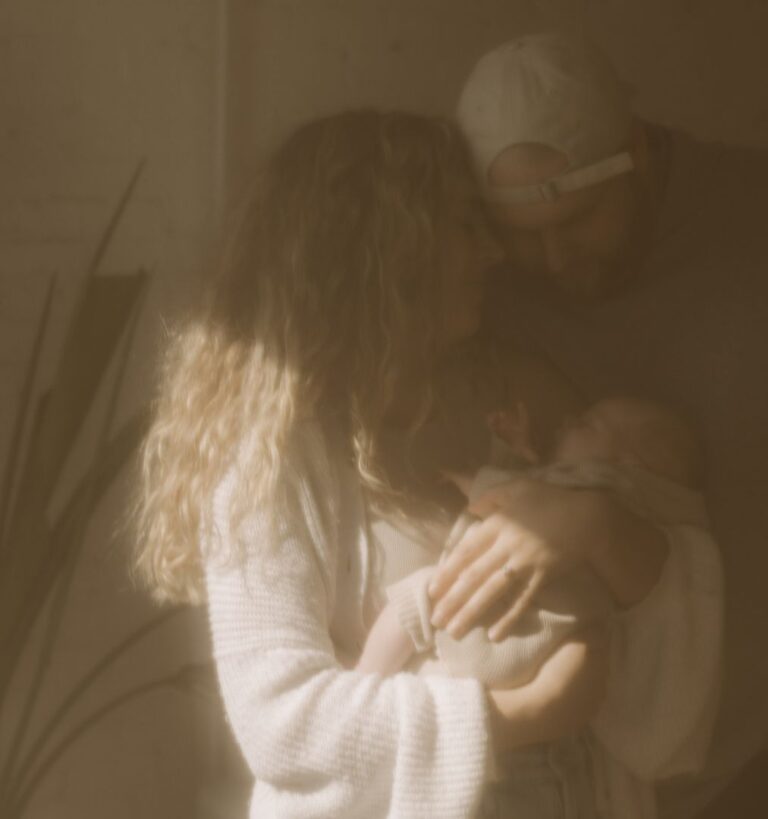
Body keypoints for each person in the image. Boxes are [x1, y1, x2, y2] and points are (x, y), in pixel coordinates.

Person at [427, 32, 768, 818]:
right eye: (523, 234)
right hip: (559, 781)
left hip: (765, 763)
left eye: (581, 218)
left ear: (636, 149)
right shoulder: (484, 283)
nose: (553, 257)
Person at [131, 110, 616, 819]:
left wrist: (595, 525)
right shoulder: (270, 451)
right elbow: (282, 722)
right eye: (459, 224)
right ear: (381, 249)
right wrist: (526, 710)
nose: (493, 253)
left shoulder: (514, 393)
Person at [358, 396, 716, 691]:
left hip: (506, 627)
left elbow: (509, 499)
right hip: (530, 654)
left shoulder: (600, 492)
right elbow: (540, 489)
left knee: (416, 598)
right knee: (439, 678)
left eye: (587, 424)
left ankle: (360, 684)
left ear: (624, 464)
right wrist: (523, 456)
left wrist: (465, 478)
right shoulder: (598, 496)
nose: (567, 421)